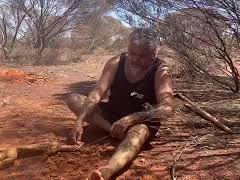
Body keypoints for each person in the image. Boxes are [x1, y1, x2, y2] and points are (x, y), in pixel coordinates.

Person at [64, 28, 174, 180]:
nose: (135, 59)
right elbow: (97, 93)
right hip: (112, 115)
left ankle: (107, 171)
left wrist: (132, 119)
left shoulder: (161, 71)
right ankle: (112, 130)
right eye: (132, 53)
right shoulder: (116, 62)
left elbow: (167, 108)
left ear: (154, 54)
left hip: (139, 122)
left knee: (139, 133)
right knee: (73, 99)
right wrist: (79, 120)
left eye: (141, 56)